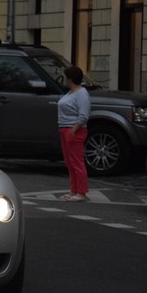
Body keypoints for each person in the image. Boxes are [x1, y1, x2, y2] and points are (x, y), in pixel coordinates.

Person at [57, 66, 90, 201]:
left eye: (66, 77)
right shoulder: (71, 92)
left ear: (70, 79)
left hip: (73, 130)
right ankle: (74, 190)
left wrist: (73, 130)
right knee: (70, 162)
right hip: (65, 128)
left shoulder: (81, 93)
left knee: (77, 162)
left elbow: (83, 115)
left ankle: (81, 192)